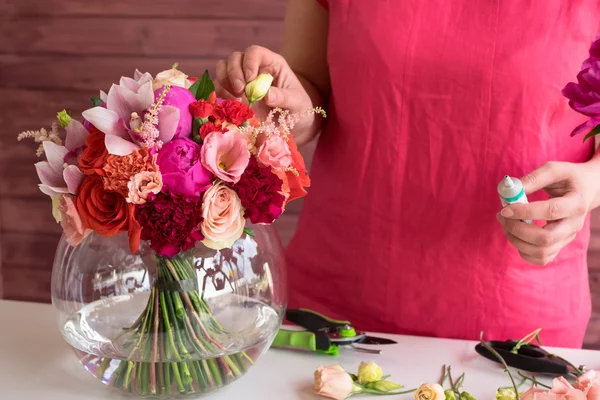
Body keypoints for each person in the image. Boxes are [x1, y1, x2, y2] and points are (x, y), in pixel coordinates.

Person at [215, 0, 600, 348]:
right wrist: (282, 109)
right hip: (337, 305)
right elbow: (312, 93)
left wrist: (590, 186)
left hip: (516, 316)